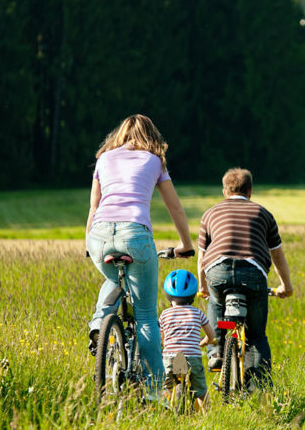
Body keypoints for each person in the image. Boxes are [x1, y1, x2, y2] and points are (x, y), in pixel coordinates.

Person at [85, 114, 194, 399]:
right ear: (151, 136)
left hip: (98, 236)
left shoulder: (104, 159)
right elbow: (176, 209)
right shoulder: (154, 160)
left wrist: (89, 245)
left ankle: (99, 323)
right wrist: (185, 244)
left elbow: (94, 206)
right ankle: (154, 392)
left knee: (113, 279)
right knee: (145, 315)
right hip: (136, 235)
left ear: (120, 135)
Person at [197, 168, 293, 388]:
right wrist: (286, 286)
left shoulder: (210, 214)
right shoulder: (263, 214)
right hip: (253, 273)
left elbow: (202, 256)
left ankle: (217, 351)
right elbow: (277, 254)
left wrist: (202, 285)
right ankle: (258, 386)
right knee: (256, 334)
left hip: (217, 271)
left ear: (224, 191)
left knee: (217, 303)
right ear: (250, 192)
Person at [159, 269, 215, 411]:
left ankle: (164, 411)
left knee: (165, 387)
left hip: (169, 357)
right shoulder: (197, 312)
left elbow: (161, 339)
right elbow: (211, 335)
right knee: (201, 391)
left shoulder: (164, 314)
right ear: (192, 295)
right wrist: (204, 342)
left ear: (168, 294)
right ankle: (208, 415)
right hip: (193, 357)